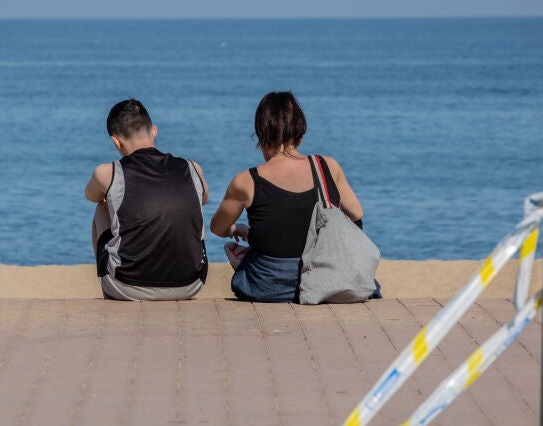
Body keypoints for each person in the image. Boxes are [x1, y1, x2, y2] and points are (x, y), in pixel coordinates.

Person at [210, 91, 372, 302]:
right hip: (327, 280)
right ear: (300, 136)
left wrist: (235, 229)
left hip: (268, 285)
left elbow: (217, 228)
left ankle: (246, 261)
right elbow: (357, 215)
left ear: (260, 136)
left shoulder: (245, 181)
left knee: (254, 258)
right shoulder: (327, 167)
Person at [86, 99, 209, 300]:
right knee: (191, 204)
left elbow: (90, 195)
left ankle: (109, 291)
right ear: (154, 131)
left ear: (116, 141)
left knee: (102, 206)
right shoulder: (193, 168)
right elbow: (203, 199)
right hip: (191, 283)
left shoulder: (108, 172)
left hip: (127, 286)